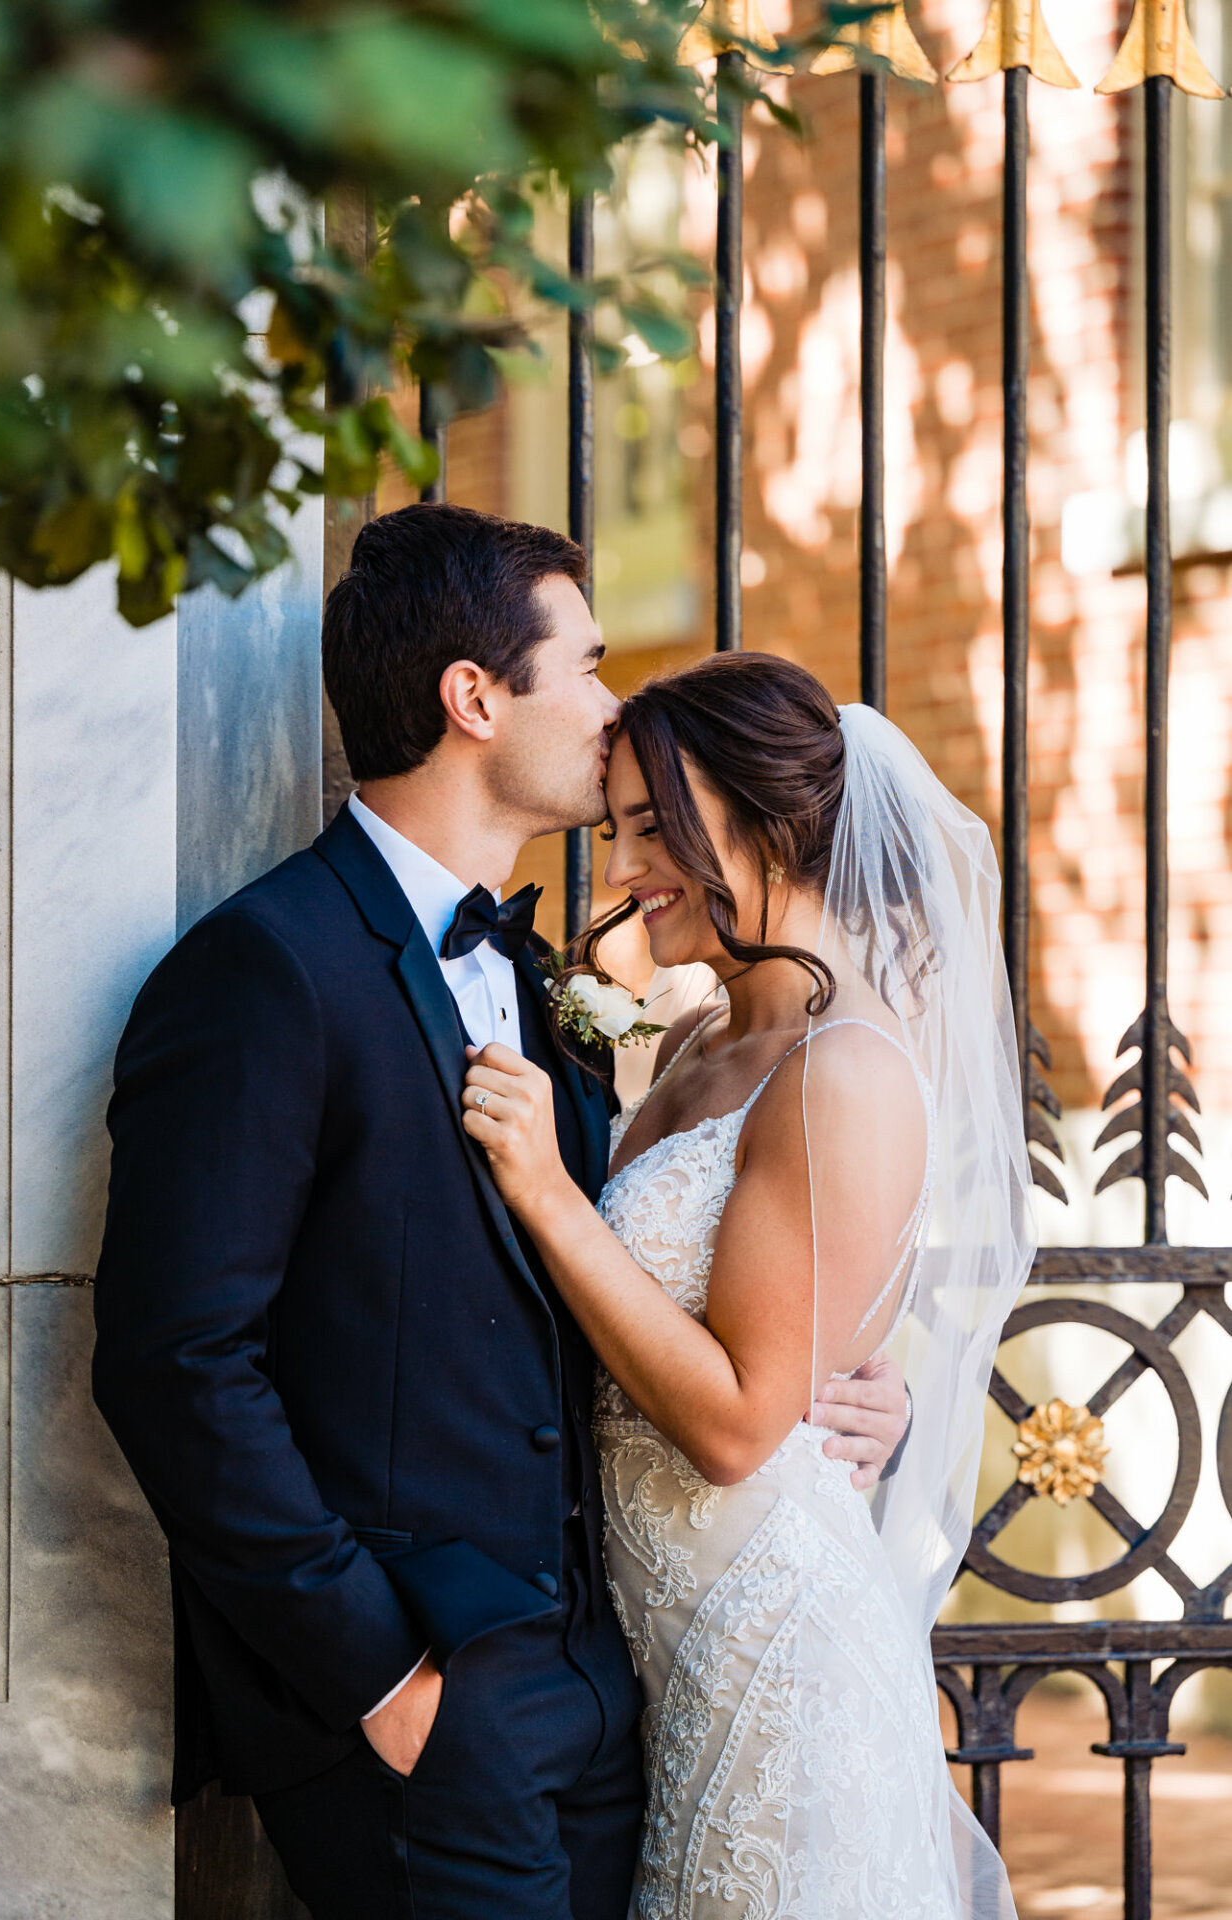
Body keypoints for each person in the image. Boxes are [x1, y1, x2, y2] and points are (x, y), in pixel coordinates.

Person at [91, 507, 909, 1920]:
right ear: (475, 697)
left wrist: (840, 1380)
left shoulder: (546, 989)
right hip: (426, 1704)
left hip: (618, 1687)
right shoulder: (263, 972)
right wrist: (383, 1683)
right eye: (585, 668)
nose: (610, 713)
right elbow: (174, 1362)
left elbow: (608, 1291)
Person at [461, 652, 1036, 1919]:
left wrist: (550, 1193)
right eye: (615, 833)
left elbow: (735, 1424)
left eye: (655, 830)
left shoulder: (848, 1072)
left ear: (770, 827)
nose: (618, 873)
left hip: (781, 1671)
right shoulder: (701, 1040)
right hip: (662, 1659)